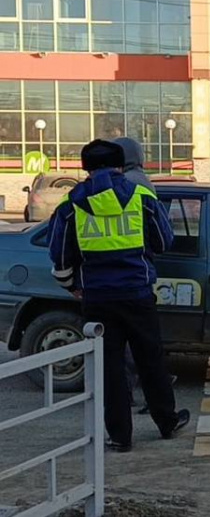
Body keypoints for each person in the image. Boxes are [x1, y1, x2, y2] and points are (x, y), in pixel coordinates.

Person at [48, 139, 189, 453]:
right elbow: (165, 241)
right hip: (137, 294)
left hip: (97, 298)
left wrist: (72, 285)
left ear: (84, 168)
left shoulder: (71, 205)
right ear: (120, 165)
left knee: (110, 368)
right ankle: (167, 422)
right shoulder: (141, 197)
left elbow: (59, 257)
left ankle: (120, 436)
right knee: (150, 359)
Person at [111, 137, 176, 414]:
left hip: (118, 278)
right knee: (145, 344)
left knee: (124, 348)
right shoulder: (142, 181)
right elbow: (162, 236)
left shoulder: (128, 185)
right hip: (138, 277)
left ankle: (135, 396)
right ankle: (159, 399)